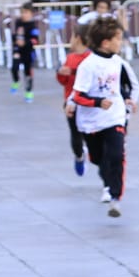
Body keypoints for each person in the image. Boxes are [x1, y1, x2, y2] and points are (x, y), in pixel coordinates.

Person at [69, 15, 139, 217]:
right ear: (105, 42)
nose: (121, 43)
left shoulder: (118, 62)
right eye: (118, 39)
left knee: (117, 155)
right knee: (99, 158)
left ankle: (115, 197)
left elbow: (118, 86)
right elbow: (79, 94)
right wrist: (95, 102)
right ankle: (102, 171)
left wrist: (126, 99)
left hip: (114, 116)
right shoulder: (88, 66)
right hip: (91, 120)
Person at [56, 31, 93, 177]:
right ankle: (79, 155)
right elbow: (63, 81)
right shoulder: (69, 58)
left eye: (71, 37)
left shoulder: (91, 58)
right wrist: (61, 73)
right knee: (75, 133)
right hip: (71, 103)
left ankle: (93, 151)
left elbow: (90, 76)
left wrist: (71, 71)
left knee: (89, 133)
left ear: (78, 38)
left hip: (88, 102)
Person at [10, 4, 41, 100]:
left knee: (28, 73)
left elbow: (35, 40)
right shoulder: (18, 22)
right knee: (14, 67)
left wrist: (25, 43)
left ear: (31, 14)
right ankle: (16, 80)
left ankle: (28, 91)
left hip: (28, 52)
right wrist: (16, 40)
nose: (24, 15)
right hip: (18, 50)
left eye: (26, 12)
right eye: (22, 12)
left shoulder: (33, 26)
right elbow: (15, 35)